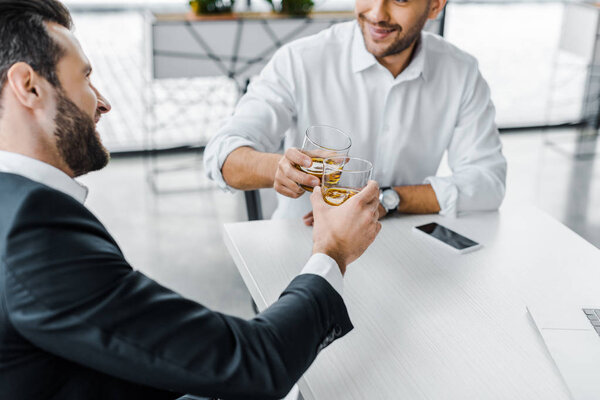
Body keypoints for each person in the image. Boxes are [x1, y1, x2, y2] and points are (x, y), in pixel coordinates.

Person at [0, 1, 382, 399]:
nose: (103, 102)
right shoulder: (33, 232)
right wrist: (332, 249)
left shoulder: (16, 208)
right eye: (85, 77)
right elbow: (253, 363)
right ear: (29, 86)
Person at [204, 0, 507, 221]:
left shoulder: (461, 72)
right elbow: (222, 153)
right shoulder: (301, 60)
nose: (377, 13)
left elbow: (487, 182)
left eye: (400, 0)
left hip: (403, 248)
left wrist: (390, 198)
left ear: (435, 6)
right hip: (303, 247)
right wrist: (277, 168)